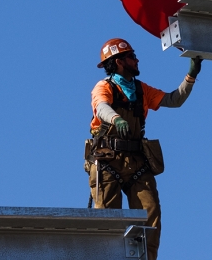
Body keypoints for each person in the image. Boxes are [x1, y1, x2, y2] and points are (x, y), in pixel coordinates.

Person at [87, 38, 202, 260]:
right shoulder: (104, 86)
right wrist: (116, 119)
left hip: (137, 160)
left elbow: (173, 100)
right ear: (119, 61)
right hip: (108, 159)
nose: (137, 60)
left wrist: (191, 76)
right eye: (132, 56)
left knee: (150, 215)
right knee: (107, 219)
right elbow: (101, 107)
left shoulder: (141, 90)